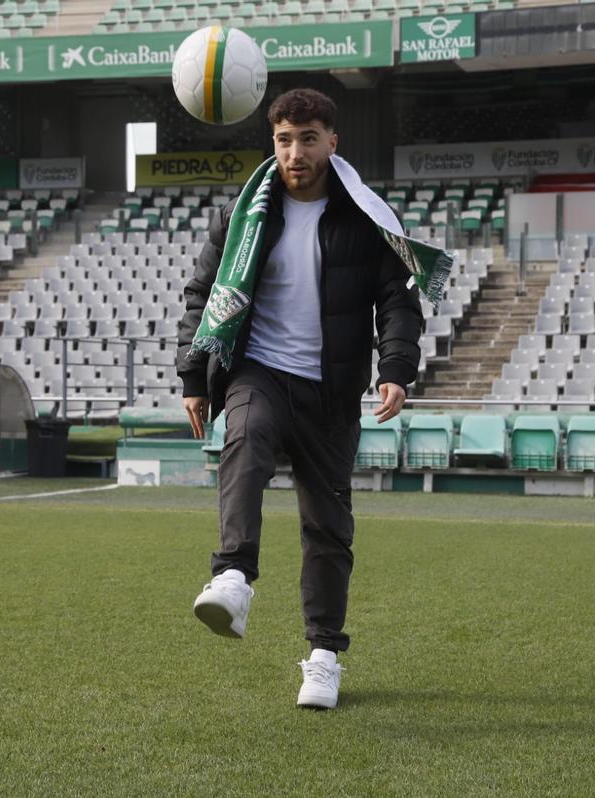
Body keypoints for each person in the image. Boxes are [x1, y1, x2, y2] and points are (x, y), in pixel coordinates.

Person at [177, 88, 424, 709]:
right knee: (247, 439)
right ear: (273, 142)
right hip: (258, 370)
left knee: (328, 529)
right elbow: (203, 294)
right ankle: (233, 576)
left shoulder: (368, 216)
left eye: (308, 139)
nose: (295, 152)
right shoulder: (244, 213)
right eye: (284, 140)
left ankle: (322, 658)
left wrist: (395, 367)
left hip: (331, 391)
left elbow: (398, 298)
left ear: (332, 143)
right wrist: (191, 376)